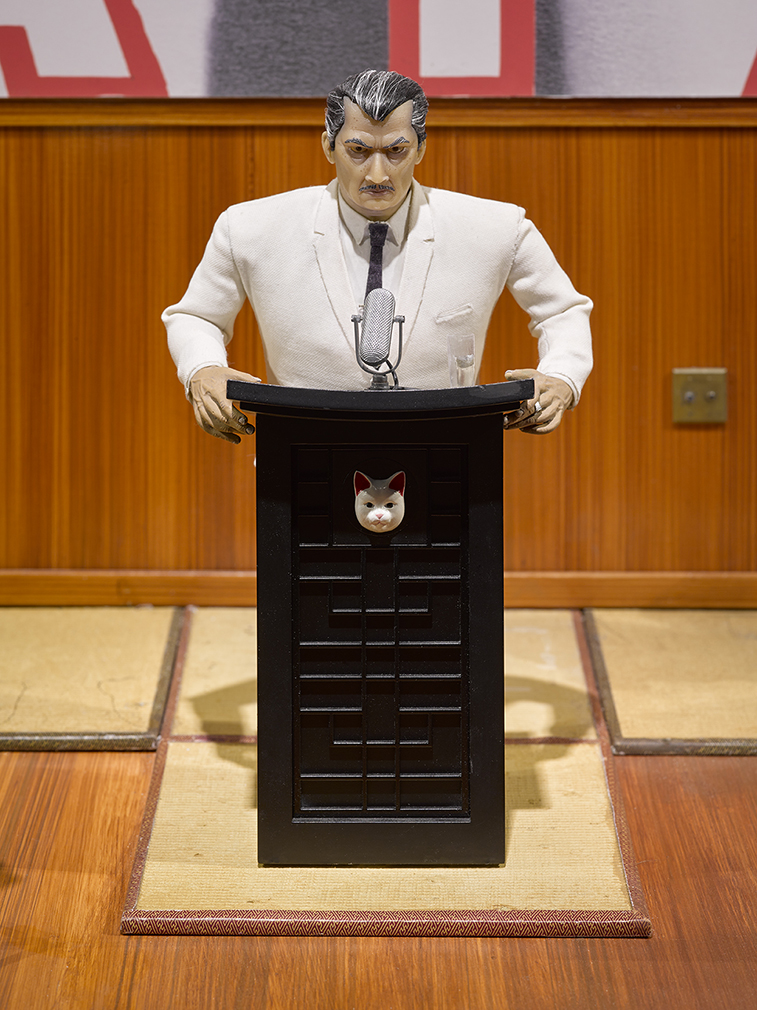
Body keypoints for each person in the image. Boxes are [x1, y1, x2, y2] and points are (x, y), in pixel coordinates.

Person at [164, 70, 592, 443]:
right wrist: (203, 368)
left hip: (451, 451)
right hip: (301, 451)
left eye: (396, 151)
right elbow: (196, 316)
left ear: (420, 148)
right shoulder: (251, 228)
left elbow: (563, 311)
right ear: (328, 147)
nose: (377, 173)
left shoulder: (496, 227)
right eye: (358, 150)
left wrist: (561, 376)